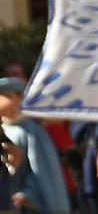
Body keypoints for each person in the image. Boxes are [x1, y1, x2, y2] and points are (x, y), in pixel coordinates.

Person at [0, 76, 72, 213]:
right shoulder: (4, 131)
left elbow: (44, 172)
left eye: (8, 97)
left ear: (20, 99)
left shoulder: (33, 132)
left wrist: (28, 194)